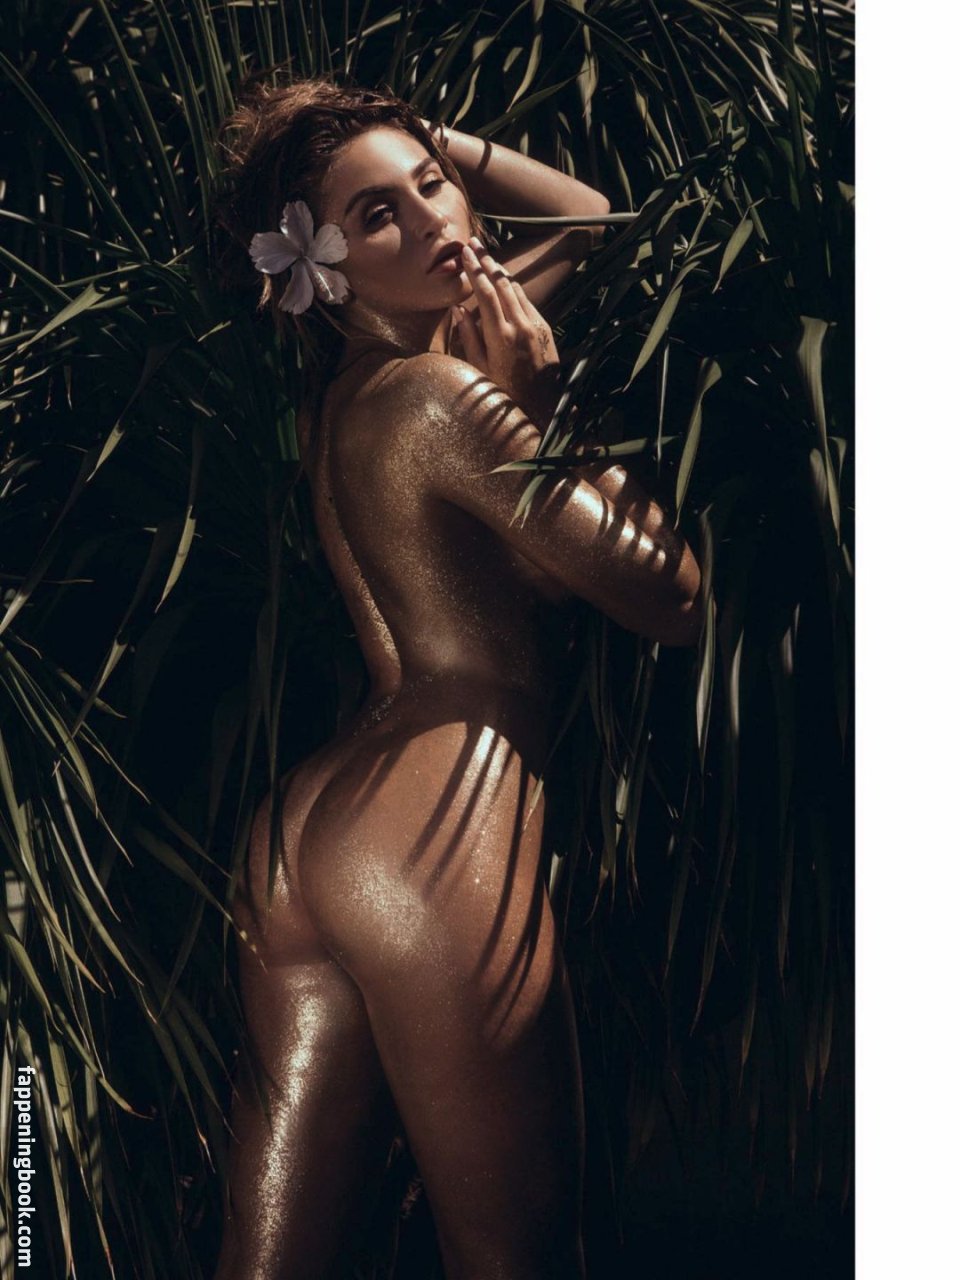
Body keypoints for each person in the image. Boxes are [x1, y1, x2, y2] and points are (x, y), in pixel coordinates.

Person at [211, 76, 703, 1280]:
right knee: (517, 1256)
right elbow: (670, 594)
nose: (436, 218)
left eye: (434, 184)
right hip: (436, 820)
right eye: (378, 214)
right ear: (323, 271)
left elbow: (591, 219)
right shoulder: (446, 393)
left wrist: (402, 131)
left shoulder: (353, 398)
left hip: (305, 838)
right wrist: (535, 407)